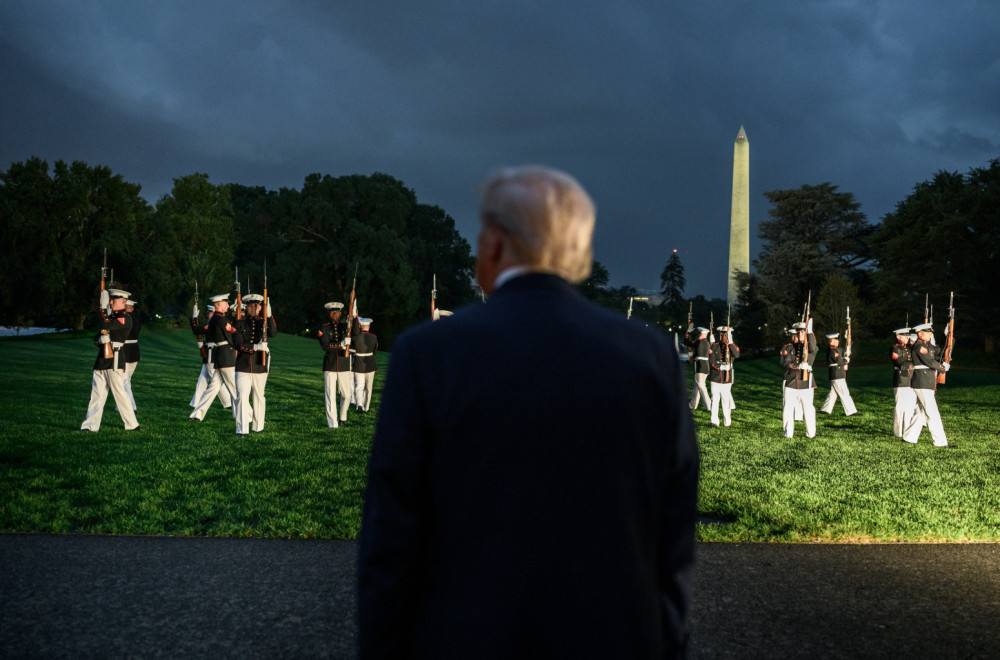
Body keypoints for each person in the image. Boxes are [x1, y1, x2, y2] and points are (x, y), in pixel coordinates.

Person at [358, 166, 699, 659]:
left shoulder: (428, 353)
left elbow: (391, 542)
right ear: (578, 253)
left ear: (494, 242)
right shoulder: (650, 357)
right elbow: (672, 540)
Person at [81, 288, 140, 431]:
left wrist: (102, 307)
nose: (111, 301)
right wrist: (100, 340)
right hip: (102, 358)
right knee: (96, 395)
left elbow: (106, 325)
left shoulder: (126, 318)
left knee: (120, 394)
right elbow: (98, 335)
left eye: (115, 299)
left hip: (115, 359)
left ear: (124, 301)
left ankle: (132, 424)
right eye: (110, 299)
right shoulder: (111, 316)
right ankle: (90, 425)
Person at [189, 294, 239, 422]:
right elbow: (231, 338)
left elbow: (198, 330)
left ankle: (196, 415)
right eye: (225, 303)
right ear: (218, 305)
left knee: (213, 388)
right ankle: (249, 415)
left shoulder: (215, 320)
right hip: (226, 358)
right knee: (235, 389)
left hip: (218, 357)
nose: (227, 305)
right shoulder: (221, 320)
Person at [233, 293, 277, 436]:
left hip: (260, 364)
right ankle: (242, 429)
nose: (253, 308)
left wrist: (269, 316)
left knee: (259, 396)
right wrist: (255, 347)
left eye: (256, 306)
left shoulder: (263, 321)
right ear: (246, 307)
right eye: (250, 306)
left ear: (260, 308)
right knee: (241, 397)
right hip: (243, 365)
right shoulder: (239, 323)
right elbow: (238, 344)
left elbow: (273, 333)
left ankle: (258, 427)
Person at [902, 322, 950, 447]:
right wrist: (942, 368)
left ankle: (909, 436)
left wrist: (948, 336)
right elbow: (929, 361)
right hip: (922, 381)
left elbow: (941, 351)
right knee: (932, 413)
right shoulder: (919, 346)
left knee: (922, 411)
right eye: (928, 333)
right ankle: (940, 442)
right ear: (920, 333)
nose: (930, 335)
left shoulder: (927, 345)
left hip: (925, 381)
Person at [780, 320, 818, 438]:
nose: (800, 335)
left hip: (806, 383)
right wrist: (797, 366)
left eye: (803, 333)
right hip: (791, 382)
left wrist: (810, 332)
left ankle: (811, 433)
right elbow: (786, 362)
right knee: (788, 408)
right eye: (799, 333)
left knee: (809, 409)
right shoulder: (791, 348)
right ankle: (788, 432)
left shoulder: (810, 349)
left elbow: (813, 347)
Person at [318, 302, 353, 428]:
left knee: (347, 394)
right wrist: (341, 344)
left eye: (337, 312)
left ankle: (342, 416)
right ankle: (333, 424)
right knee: (330, 395)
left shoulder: (345, 326)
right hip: (330, 365)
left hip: (344, 363)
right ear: (329, 314)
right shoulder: (324, 328)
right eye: (333, 312)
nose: (335, 314)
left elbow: (357, 333)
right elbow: (325, 345)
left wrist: (353, 318)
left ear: (340, 313)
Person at [709, 324, 740, 427]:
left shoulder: (732, 346)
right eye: (722, 335)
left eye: (725, 335)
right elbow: (712, 361)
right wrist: (721, 366)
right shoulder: (714, 346)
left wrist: (730, 342)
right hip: (715, 377)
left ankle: (727, 422)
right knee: (715, 399)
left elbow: (736, 355)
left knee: (726, 400)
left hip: (727, 379)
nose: (723, 337)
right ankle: (714, 421)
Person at [819, 332, 858, 416]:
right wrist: (846, 360)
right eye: (836, 340)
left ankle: (825, 409)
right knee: (844, 392)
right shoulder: (832, 350)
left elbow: (845, 350)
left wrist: (849, 340)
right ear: (831, 341)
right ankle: (851, 411)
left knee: (833, 393)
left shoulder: (835, 349)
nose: (838, 341)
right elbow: (840, 362)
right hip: (837, 374)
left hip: (836, 373)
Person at [890, 327, 917, 437]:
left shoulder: (910, 347)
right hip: (901, 379)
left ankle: (907, 429)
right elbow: (900, 364)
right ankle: (897, 432)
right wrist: (914, 364)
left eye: (907, 336)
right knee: (900, 406)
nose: (907, 338)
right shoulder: (895, 349)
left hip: (911, 379)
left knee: (910, 406)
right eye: (905, 336)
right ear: (898, 336)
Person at [350, 316, 378, 413]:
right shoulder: (374, 337)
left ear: (360, 327)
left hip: (358, 364)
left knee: (359, 386)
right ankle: (366, 407)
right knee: (368, 387)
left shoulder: (355, 338)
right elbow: (375, 351)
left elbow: (352, 351)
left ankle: (359, 406)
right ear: (368, 327)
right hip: (370, 364)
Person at [120, 298, 141, 412]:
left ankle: (131, 407)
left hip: (125, 351)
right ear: (132, 309)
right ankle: (120, 405)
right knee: (127, 379)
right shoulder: (136, 320)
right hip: (135, 351)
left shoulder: (123, 319)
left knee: (124, 380)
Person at [686, 326, 711, 411]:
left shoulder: (698, 342)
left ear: (701, 334)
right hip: (706, 367)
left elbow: (687, 342)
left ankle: (709, 406)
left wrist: (688, 333)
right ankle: (693, 405)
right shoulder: (707, 343)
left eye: (699, 333)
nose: (698, 335)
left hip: (700, 366)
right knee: (696, 387)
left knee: (701, 386)